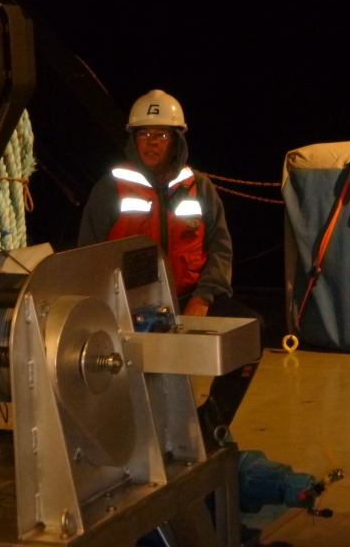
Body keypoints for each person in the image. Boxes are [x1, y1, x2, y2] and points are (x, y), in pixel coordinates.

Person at [78, 89, 261, 445]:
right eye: (144, 134)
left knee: (252, 333)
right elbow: (88, 253)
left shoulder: (199, 188)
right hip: (131, 307)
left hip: (191, 296)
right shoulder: (110, 188)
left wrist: (206, 296)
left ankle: (212, 422)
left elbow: (220, 248)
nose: (151, 142)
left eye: (161, 134)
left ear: (176, 140)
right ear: (133, 139)